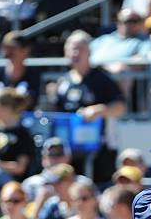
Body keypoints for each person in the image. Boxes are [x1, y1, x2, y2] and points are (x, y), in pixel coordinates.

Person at [50, 30, 127, 183]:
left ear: (89, 52)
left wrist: (99, 110)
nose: (75, 53)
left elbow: (121, 106)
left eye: (80, 49)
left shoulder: (101, 79)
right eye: (72, 49)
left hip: (99, 150)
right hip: (69, 151)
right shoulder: (63, 82)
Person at [22, 137, 72, 201]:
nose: (55, 159)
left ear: (68, 158)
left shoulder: (80, 183)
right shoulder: (31, 184)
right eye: (50, 154)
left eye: (59, 154)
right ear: (43, 159)